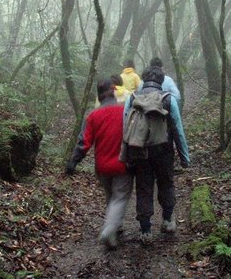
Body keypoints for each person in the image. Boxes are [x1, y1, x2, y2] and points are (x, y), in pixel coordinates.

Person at [122, 66, 189, 245]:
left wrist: (125, 154)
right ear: (161, 81)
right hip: (164, 151)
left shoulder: (133, 98)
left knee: (144, 188)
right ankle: (167, 221)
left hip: (139, 151)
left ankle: (145, 231)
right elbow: (177, 129)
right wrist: (184, 157)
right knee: (166, 184)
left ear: (143, 80)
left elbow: (125, 128)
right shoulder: (168, 99)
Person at [66, 79, 133, 249]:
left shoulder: (93, 116)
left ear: (98, 95)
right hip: (122, 164)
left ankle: (116, 227)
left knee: (111, 196)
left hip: (102, 167)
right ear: (114, 92)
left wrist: (73, 161)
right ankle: (109, 229)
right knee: (120, 197)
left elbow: (84, 142)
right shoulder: (124, 111)